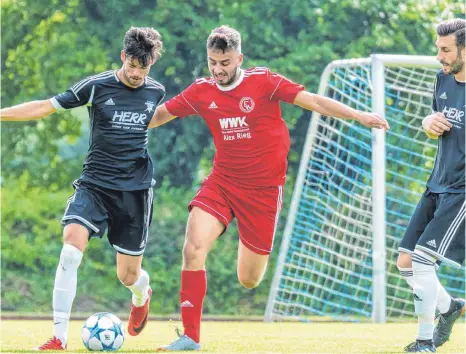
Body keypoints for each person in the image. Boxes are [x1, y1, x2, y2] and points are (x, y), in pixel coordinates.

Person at [148, 25, 390, 351]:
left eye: (225, 62)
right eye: (213, 62)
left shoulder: (263, 81)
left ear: (239, 58)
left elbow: (314, 101)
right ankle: (190, 337)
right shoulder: (202, 91)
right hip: (222, 182)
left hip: (263, 192)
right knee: (192, 248)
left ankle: (247, 252)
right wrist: (119, 120)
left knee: (249, 279)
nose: (218, 70)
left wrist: (358, 115)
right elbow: (162, 113)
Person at [0, 26, 165, 350]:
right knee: (70, 249)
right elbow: (45, 106)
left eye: (142, 68)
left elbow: (156, 117)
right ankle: (58, 337)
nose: (135, 73)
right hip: (94, 185)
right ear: (123, 56)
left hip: (134, 191)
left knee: (128, 276)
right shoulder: (96, 87)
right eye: (131, 64)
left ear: (152, 63)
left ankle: (142, 294)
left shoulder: (155, 91)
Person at [397, 19, 465, 353]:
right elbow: (433, 120)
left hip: (462, 191)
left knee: (422, 262)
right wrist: (428, 122)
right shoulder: (442, 79)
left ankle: (425, 342)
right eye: (438, 48)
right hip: (436, 182)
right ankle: (450, 307)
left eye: (446, 49)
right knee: (406, 263)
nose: (439, 55)